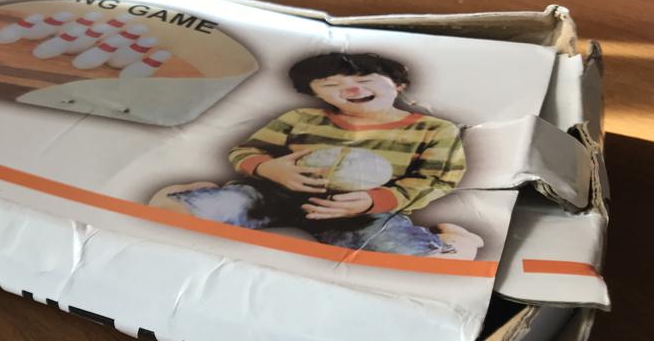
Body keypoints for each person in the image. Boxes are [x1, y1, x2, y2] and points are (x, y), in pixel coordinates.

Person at [149, 52, 482, 258]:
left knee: (435, 263)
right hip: (271, 194)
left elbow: (436, 179)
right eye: (332, 86)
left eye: (365, 79)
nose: (351, 89)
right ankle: (196, 191)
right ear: (315, 93)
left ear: (398, 85)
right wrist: (268, 168)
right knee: (169, 213)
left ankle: (455, 237)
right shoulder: (300, 118)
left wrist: (373, 201)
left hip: (361, 213)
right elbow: (246, 151)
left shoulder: (434, 129)